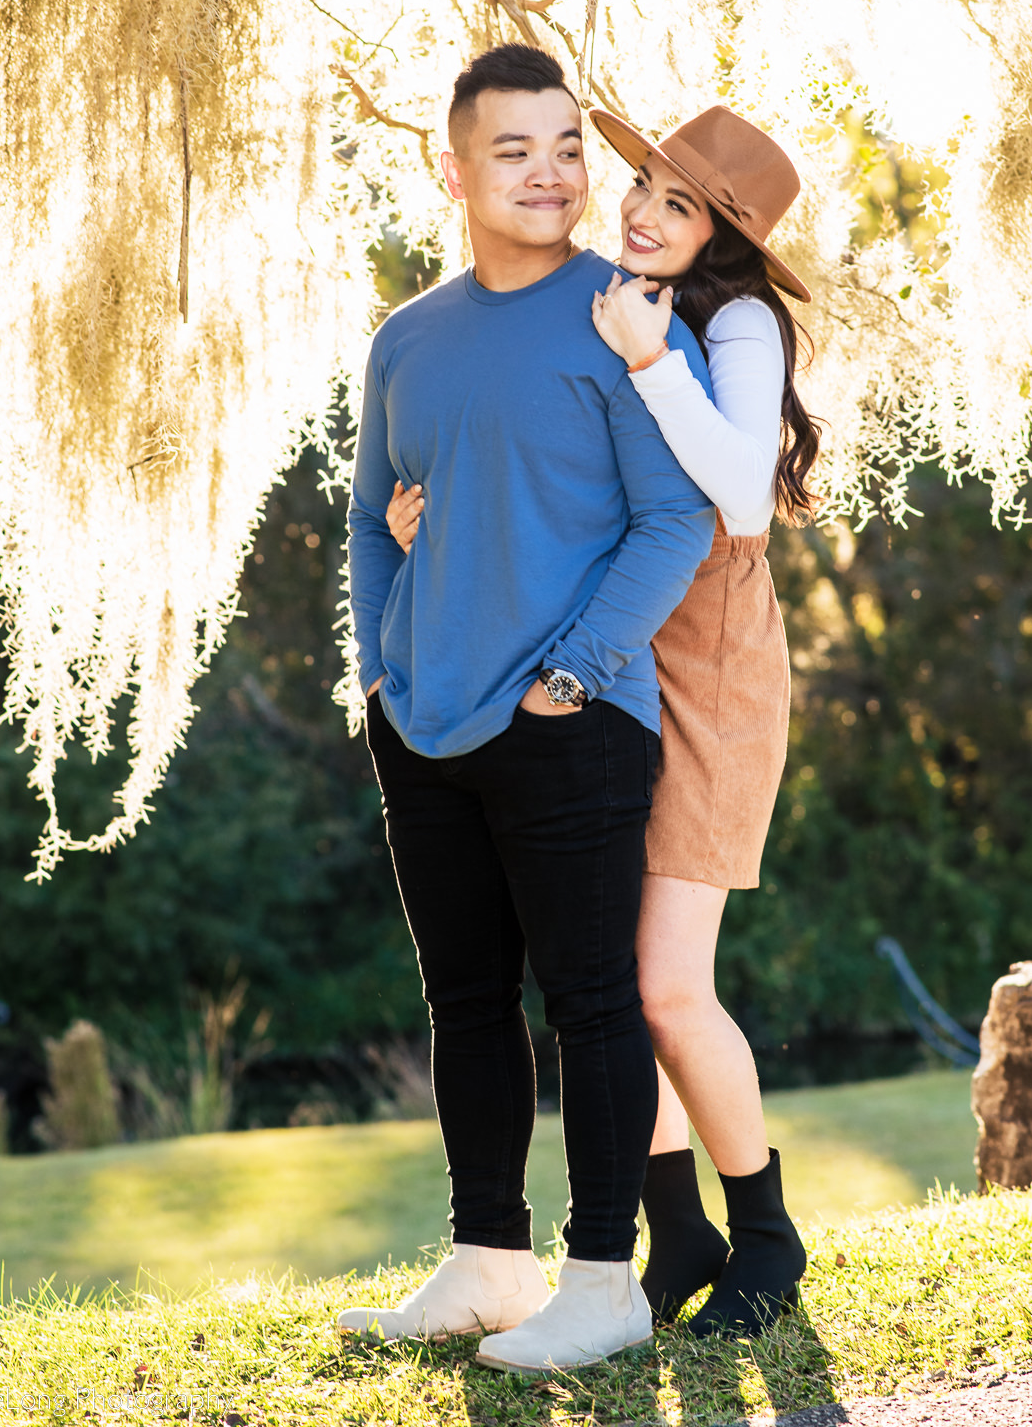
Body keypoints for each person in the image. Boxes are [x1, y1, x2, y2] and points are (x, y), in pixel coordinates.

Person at [388, 103, 821, 1338]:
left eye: (678, 205)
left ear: (722, 238)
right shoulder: (604, 297)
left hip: (709, 666)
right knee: (608, 979)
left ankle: (768, 1237)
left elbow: (737, 498)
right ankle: (673, 1229)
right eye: (642, 184)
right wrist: (436, 518)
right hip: (609, 660)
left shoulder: (728, 323)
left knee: (668, 986)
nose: (639, 209)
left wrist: (647, 358)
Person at [340, 43, 715, 1374]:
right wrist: (381, 670)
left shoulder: (620, 315)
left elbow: (675, 516)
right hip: (423, 726)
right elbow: (369, 521)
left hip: (572, 721)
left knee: (593, 1004)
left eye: (568, 147)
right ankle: (490, 1259)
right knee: (463, 1004)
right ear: (454, 171)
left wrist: (572, 672)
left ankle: (604, 1280)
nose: (551, 173)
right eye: (515, 150)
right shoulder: (406, 338)